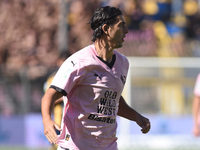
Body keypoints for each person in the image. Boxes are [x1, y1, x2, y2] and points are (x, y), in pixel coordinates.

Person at [41, 6, 151, 150]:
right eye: (121, 25)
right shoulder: (79, 62)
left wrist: (136, 117)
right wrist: (47, 120)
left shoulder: (123, 63)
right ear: (106, 29)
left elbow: (112, 99)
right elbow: (50, 94)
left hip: (108, 145)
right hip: (76, 146)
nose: (126, 31)